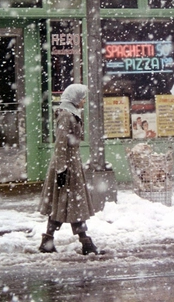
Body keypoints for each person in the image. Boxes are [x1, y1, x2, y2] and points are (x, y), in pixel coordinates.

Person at [38, 83, 103, 255]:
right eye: (82, 98)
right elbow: (60, 144)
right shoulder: (66, 116)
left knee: (66, 204)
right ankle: (85, 242)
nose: (84, 101)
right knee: (71, 204)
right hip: (67, 166)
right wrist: (61, 169)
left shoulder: (71, 114)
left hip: (71, 165)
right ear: (74, 98)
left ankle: (50, 241)